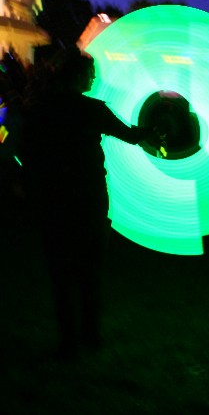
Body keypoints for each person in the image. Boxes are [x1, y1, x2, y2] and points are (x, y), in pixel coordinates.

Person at [19, 47, 165, 361]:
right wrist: (156, 130)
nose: (94, 78)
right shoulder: (90, 109)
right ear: (76, 76)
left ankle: (68, 341)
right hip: (88, 196)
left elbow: (24, 150)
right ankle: (91, 337)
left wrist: (30, 184)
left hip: (53, 197)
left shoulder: (40, 109)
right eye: (90, 73)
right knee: (89, 269)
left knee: (60, 272)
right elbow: (129, 135)